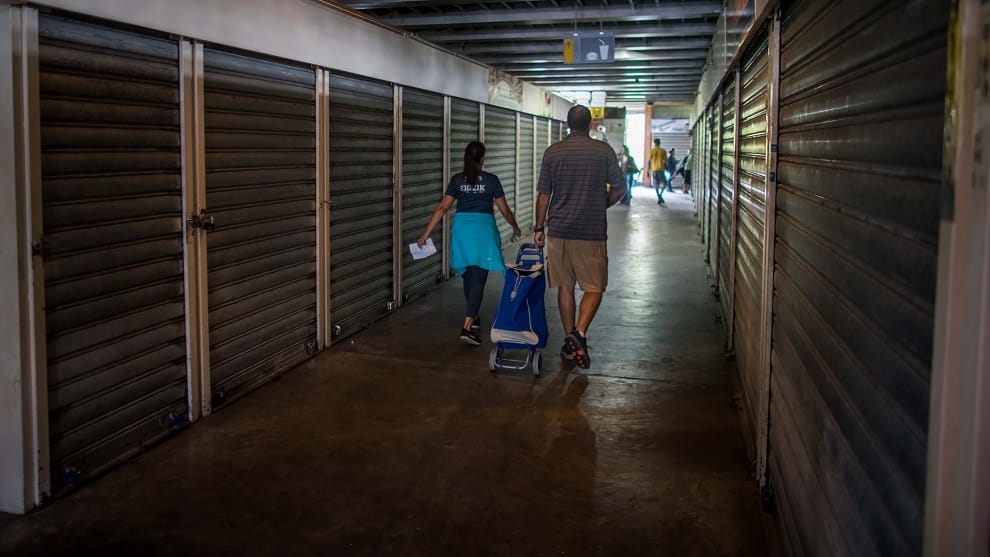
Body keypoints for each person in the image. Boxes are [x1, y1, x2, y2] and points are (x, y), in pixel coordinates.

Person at [533, 105, 625, 369]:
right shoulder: (604, 151)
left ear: (568, 124)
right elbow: (620, 190)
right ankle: (579, 333)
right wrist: (599, 203)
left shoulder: (553, 152)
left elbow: (543, 195)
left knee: (565, 286)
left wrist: (539, 229)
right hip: (591, 231)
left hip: (559, 231)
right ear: (591, 124)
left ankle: (568, 339)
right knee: (595, 287)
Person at [418, 141, 521, 346]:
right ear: (483, 159)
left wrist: (424, 235)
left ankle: (472, 316)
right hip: (483, 229)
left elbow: (442, 208)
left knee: (468, 273)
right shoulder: (491, 180)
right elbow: (504, 210)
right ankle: (466, 327)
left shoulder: (457, 180)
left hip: (462, 229)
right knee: (479, 277)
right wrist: (515, 227)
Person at [648, 138, 668, 205]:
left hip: (654, 170)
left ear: (654, 143)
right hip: (661, 170)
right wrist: (666, 167)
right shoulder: (663, 151)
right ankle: (660, 195)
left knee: (656, 184)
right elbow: (665, 161)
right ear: (660, 143)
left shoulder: (652, 150)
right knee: (664, 183)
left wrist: (648, 170)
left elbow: (649, 161)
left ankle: (658, 196)